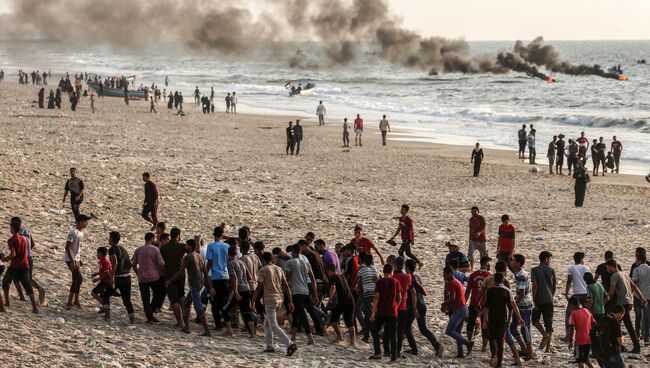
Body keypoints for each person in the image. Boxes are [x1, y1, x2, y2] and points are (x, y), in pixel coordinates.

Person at [252, 252, 298, 356]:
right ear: (272, 259)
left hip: (270, 300)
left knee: (273, 325)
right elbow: (286, 286)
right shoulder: (279, 269)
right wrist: (290, 301)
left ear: (263, 260)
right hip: (279, 299)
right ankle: (269, 347)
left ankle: (290, 344)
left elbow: (258, 288)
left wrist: (253, 300)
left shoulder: (263, 270)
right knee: (267, 324)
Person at [166, 239, 211, 336]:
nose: (185, 247)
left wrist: (170, 280)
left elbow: (180, 271)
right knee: (186, 303)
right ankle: (187, 327)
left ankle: (207, 331)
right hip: (200, 283)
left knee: (198, 307)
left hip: (194, 285)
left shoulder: (188, 257)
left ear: (190, 247)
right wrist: (210, 286)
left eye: (186, 246)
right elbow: (205, 272)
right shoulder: (198, 255)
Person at [606, 259, 646, 353]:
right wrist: (642, 298)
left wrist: (603, 302)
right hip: (629, 302)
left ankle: (636, 347)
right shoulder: (624, 274)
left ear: (612, 266)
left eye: (608, 268)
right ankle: (619, 346)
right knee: (618, 325)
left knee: (624, 325)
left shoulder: (614, 276)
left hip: (622, 303)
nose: (607, 270)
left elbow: (611, 293)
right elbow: (634, 287)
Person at [0, 220, 39, 314]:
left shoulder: (11, 240)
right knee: (27, 285)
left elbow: (13, 254)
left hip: (15, 265)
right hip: (24, 264)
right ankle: (34, 308)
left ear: (13, 228)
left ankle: (7, 303)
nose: (10, 229)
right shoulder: (24, 238)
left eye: (10, 227)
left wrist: (4, 259)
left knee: (6, 281)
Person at [284, 244, 317, 344]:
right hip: (306, 291)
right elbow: (313, 279)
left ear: (293, 252)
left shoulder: (290, 262)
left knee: (302, 314)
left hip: (295, 292)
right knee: (296, 313)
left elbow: (287, 279)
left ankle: (310, 338)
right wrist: (315, 295)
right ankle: (293, 336)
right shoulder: (306, 262)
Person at [369, 263, 401, 362]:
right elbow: (399, 297)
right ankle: (394, 357)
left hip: (381, 312)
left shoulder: (380, 282)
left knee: (375, 331)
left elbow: (376, 297)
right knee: (393, 334)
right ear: (392, 272)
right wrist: (396, 307)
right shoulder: (396, 282)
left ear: (383, 272)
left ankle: (378, 352)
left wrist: (373, 312)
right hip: (392, 312)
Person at [131, 232, 165, 323]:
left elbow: (133, 264)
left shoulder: (138, 250)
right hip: (154, 276)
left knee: (145, 298)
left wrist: (138, 273)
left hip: (142, 277)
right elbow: (161, 263)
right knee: (159, 292)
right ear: (152, 239)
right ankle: (152, 310)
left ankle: (149, 316)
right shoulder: (155, 249)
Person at [442, 266, 474, 358]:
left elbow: (452, 299)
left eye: (445, 274)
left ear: (450, 274)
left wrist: (444, 304)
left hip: (459, 310)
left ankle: (468, 343)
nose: (443, 276)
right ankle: (460, 353)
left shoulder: (452, 283)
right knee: (457, 332)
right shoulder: (456, 282)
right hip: (463, 309)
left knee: (449, 331)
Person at [485, 272, 516, 368]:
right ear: (503, 280)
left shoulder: (489, 291)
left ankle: (494, 355)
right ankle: (499, 363)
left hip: (492, 318)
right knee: (500, 340)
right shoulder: (507, 291)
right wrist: (508, 321)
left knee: (491, 338)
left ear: (494, 280)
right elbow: (511, 308)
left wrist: (485, 321)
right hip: (502, 319)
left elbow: (486, 307)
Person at [160, 227, 187, 327]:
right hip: (180, 275)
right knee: (181, 295)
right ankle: (185, 317)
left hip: (169, 276)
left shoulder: (164, 248)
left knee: (174, 300)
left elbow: (160, 262)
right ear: (179, 235)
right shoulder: (182, 246)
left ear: (170, 236)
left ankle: (180, 322)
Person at [205, 226, 230, 331]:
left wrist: (205, 273)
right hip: (225, 276)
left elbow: (210, 262)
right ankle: (227, 325)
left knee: (215, 303)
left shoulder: (211, 246)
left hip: (215, 277)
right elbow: (228, 262)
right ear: (222, 235)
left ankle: (218, 325)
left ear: (213, 235)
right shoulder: (227, 246)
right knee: (224, 301)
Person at [531, 251, 556, 352]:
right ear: (545, 259)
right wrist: (551, 295)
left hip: (539, 299)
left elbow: (535, 286)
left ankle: (544, 335)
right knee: (548, 324)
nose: (550, 261)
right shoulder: (551, 270)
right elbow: (554, 286)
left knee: (535, 320)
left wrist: (534, 300)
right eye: (549, 259)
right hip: (549, 300)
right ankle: (547, 348)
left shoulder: (534, 270)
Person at [107, 231, 135, 324]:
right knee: (127, 300)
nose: (108, 239)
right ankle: (132, 320)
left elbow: (114, 262)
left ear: (111, 239)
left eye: (109, 237)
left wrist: (112, 276)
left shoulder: (112, 249)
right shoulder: (123, 249)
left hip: (119, 277)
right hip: (127, 276)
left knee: (105, 295)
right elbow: (130, 263)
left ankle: (107, 315)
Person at [509, 254, 533, 360]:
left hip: (524, 305)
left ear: (518, 263)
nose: (511, 261)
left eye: (513, 260)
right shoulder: (519, 273)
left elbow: (522, 294)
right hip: (522, 304)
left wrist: (514, 305)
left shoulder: (521, 275)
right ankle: (524, 348)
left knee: (525, 328)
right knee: (513, 328)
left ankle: (529, 352)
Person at [64, 214, 91, 310]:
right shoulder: (73, 231)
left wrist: (79, 260)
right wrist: (72, 261)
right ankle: (73, 301)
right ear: (79, 222)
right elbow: (67, 247)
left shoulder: (80, 232)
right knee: (79, 278)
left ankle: (71, 302)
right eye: (85, 221)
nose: (86, 223)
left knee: (76, 279)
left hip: (76, 259)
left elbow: (77, 248)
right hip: (70, 259)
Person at [465, 256, 492, 352]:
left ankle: (469, 342)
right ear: (486, 263)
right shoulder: (489, 275)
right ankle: (484, 347)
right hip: (485, 304)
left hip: (474, 302)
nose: (490, 265)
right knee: (485, 325)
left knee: (470, 323)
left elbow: (468, 290)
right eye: (489, 263)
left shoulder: (473, 275)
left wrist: (464, 302)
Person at [563, 252, 590, 342]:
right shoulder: (586, 268)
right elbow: (590, 280)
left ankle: (568, 335)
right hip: (586, 293)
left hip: (576, 294)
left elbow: (569, 281)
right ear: (582, 259)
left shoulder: (571, 268)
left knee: (569, 314)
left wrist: (566, 293)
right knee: (587, 314)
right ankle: (588, 332)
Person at [389, 204, 423, 269]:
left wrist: (413, 240)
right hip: (404, 238)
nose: (401, 210)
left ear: (406, 211)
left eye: (402, 209)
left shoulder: (408, 219)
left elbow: (412, 230)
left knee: (400, 251)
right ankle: (419, 263)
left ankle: (403, 265)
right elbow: (399, 228)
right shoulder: (401, 219)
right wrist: (394, 236)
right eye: (401, 209)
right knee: (408, 253)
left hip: (408, 238)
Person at [567, 296, 596, 368]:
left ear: (571, 305)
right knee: (586, 359)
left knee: (579, 360)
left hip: (579, 340)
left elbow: (572, 328)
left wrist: (570, 340)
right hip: (588, 339)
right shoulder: (587, 311)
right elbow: (594, 324)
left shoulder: (573, 313)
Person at [631, 250, 650, 345]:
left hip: (638, 297)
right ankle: (647, 338)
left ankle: (637, 336)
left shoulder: (636, 270)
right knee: (647, 318)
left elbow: (634, 283)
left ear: (639, 260)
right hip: (648, 297)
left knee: (638, 317)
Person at [90, 247, 112, 320]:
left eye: (97, 253)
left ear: (100, 253)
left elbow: (106, 273)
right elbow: (103, 271)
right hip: (104, 281)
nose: (96, 255)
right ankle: (105, 311)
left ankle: (105, 308)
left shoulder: (105, 261)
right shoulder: (102, 261)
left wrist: (97, 279)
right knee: (103, 296)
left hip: (105, 282)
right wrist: (96, 274)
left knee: (94, 293)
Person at [468, 206, 487, 271]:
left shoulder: (481, 218)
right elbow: (470, 229)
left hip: (481, 240)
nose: (474, 213)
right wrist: (470, 239)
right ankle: (472, 267)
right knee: (470, 253)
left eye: (475, 211)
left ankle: (484, 267)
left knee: (483, 255)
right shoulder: (471, 220)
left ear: (478, 212)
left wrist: (479, 232)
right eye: (472, 211)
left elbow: (484, 226)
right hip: (473, 240)